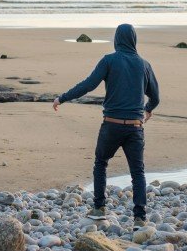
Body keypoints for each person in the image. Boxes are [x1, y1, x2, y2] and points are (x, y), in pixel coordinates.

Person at [53, 24, 159, 229]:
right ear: (134, 40)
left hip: (111, 125)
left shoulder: (109, 60)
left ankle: (99, 208)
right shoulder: (144, 65)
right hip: (135, 127)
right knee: (138, 172)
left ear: (117, 39)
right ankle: (139, 218)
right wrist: (148, 109)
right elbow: (155, 96)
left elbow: (88, 85)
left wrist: (62, 98)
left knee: (101, 163)